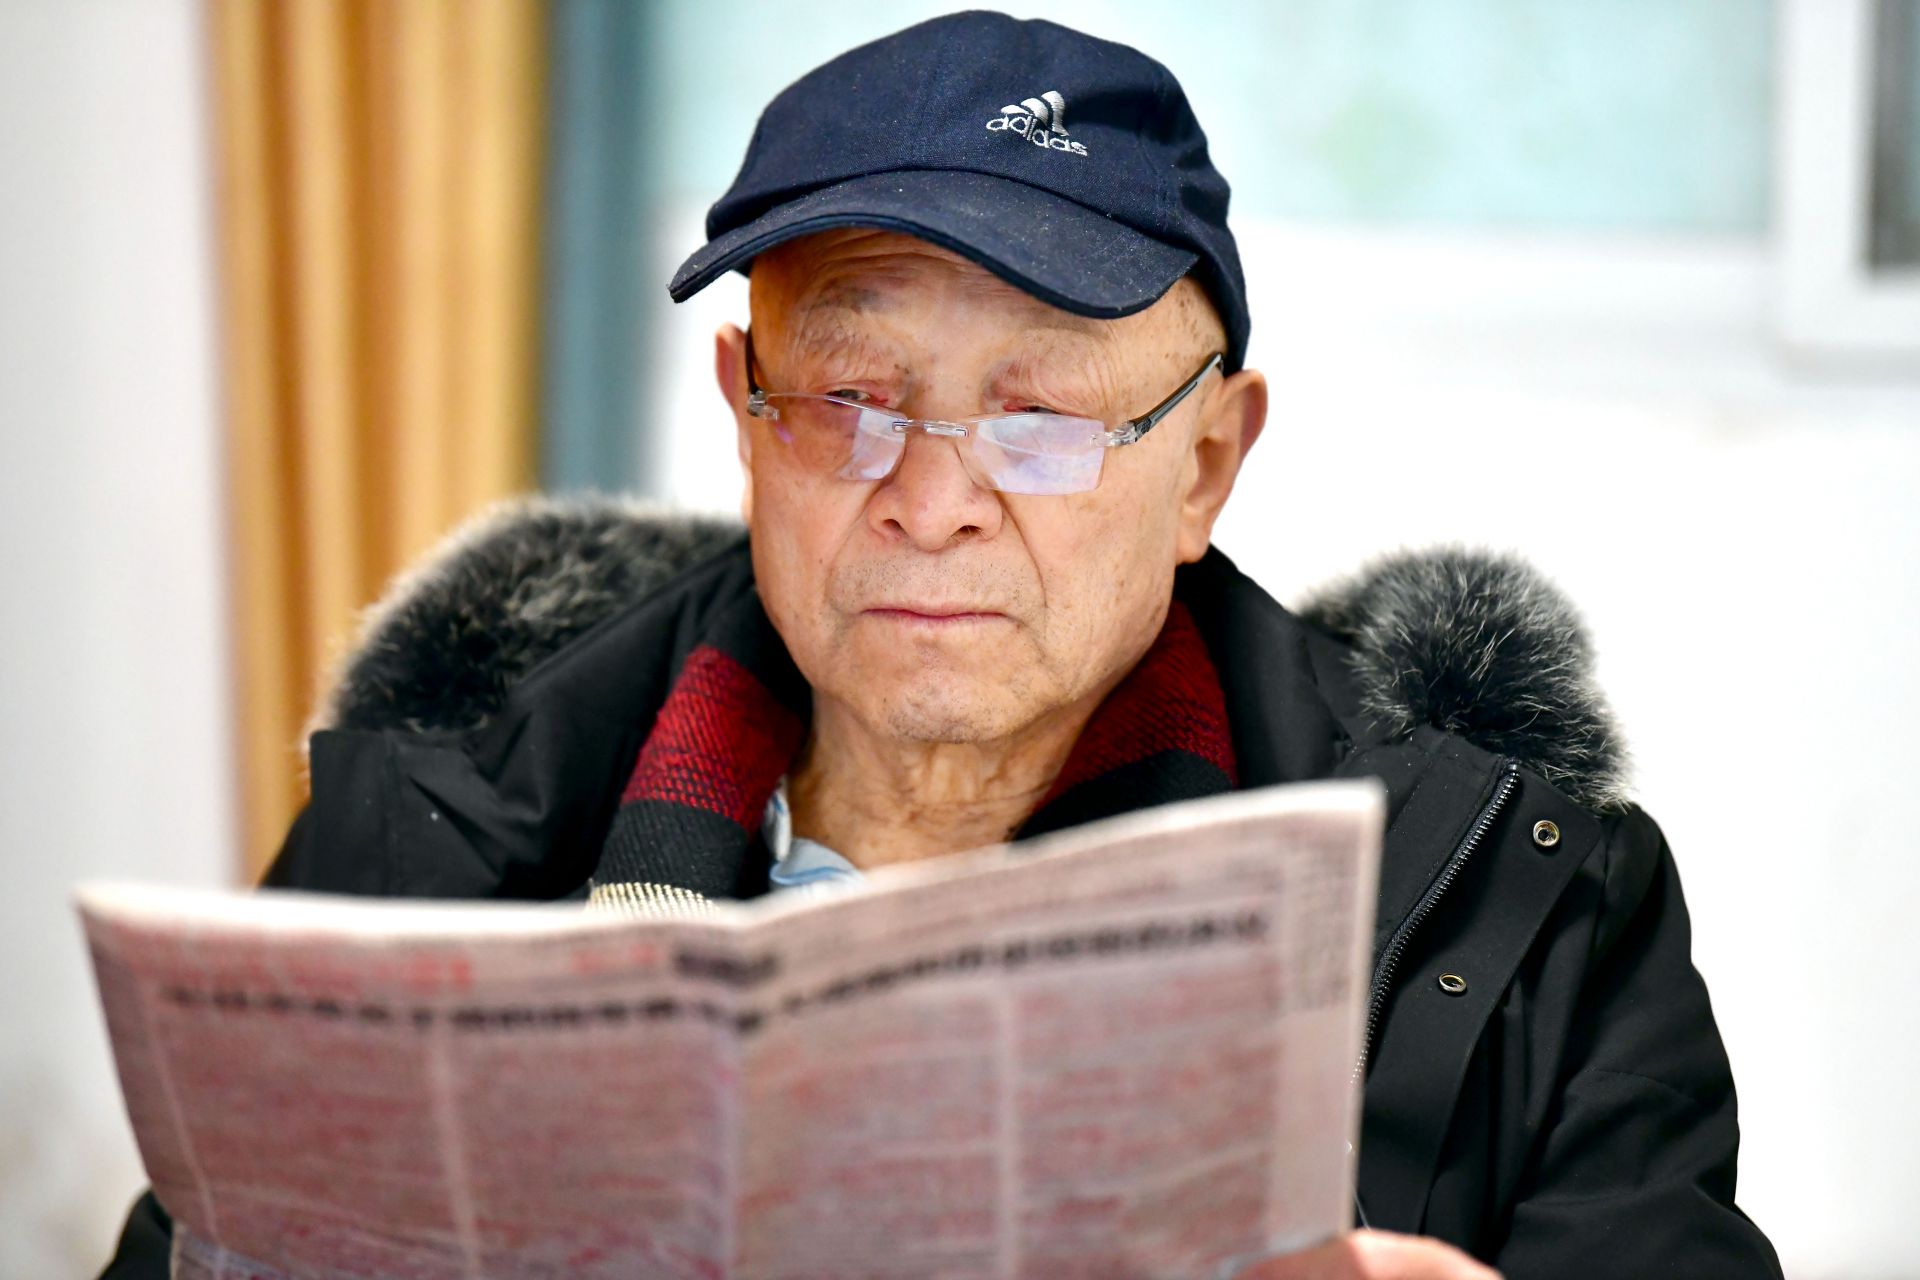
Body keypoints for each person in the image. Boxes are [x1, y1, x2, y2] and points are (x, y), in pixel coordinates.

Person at [102, 13, 1780, 1279]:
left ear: (1206, 463)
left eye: (1040, 419)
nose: (931, 503)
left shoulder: (1526, 908)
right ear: (746, 415)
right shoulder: (426, 846)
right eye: (850, 398)